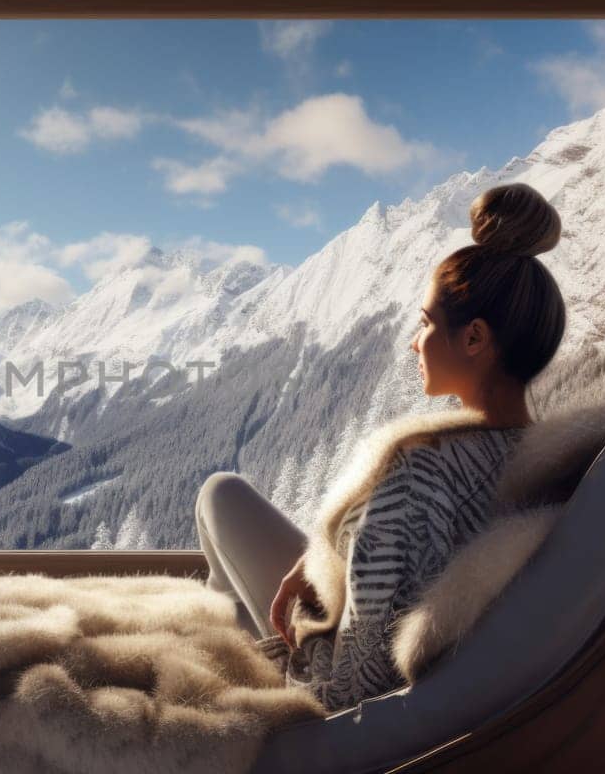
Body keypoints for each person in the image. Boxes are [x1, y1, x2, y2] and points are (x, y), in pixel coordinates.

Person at [194, 181, 567, 712]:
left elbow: (357, 683)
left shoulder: (420, 475)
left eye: (426, 323)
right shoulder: (547, 458)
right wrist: (326, 557)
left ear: (475, 339)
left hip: (341, 712)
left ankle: (224, 676)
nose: (415, 341)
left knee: (219, 494)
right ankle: (223, 655)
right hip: (468, 688)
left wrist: (298, 649)